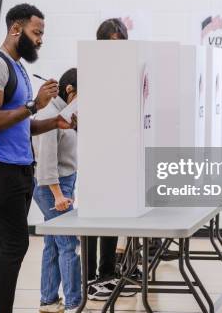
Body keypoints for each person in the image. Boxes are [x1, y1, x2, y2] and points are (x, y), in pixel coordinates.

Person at [0, 3, 75, 313]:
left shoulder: (18, 68)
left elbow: (20, 126)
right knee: (14, 245)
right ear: (16, 29)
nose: (41, 39)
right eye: (36, 32)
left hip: (17, 167)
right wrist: (34, 105)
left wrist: (53, 121)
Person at [86, 18, 133, 301]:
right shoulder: (89, 72)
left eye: (121, 44)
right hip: (94, 155)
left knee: (113, 216)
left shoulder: (126, 73)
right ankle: (90, 278)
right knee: (93, 218)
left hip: (118, 153)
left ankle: (107, 273)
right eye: (111, 43)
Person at [32, 68, 81, 313]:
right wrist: (58, 196)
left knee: (53, 243)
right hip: (52, 186)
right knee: (68, 243)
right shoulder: (49, 115)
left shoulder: (68, 114)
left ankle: (49, 300)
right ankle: (75, 303)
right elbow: (47, 162)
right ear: (69, 89)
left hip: (63, 182)